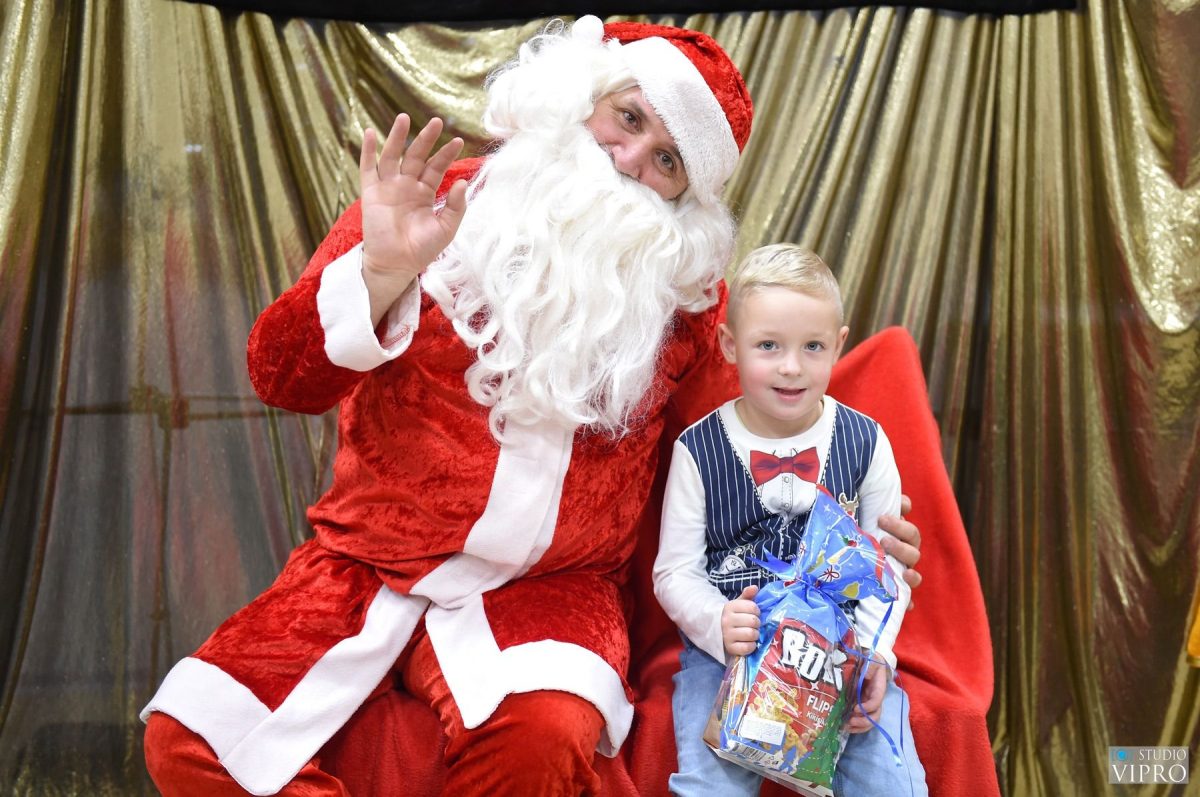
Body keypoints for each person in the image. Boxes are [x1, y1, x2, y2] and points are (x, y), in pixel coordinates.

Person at [140, 16, 924, 797]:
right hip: (362, 564)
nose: (628, 161)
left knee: (542, 738)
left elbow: (741, 451)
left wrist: (854, 532)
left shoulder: (685, 302)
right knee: (188, 738)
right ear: (579, 96)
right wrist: (379, 272)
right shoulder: (430, 211)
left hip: (552, 592)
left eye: (668, 161)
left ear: (688, 196)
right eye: (628, 117)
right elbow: (280, 376)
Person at [653, 244, 928, 796]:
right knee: (709, 787)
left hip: (839, 649)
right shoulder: (697, 449)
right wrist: (717, 621)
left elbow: (887, 568)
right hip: (731, 652)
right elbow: (674, 572)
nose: (791, 366)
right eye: (768, 345)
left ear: (838, 346)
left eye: (812, 347)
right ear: (729, 345)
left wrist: (873, 654)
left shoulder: (866, 441)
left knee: (893, 785)